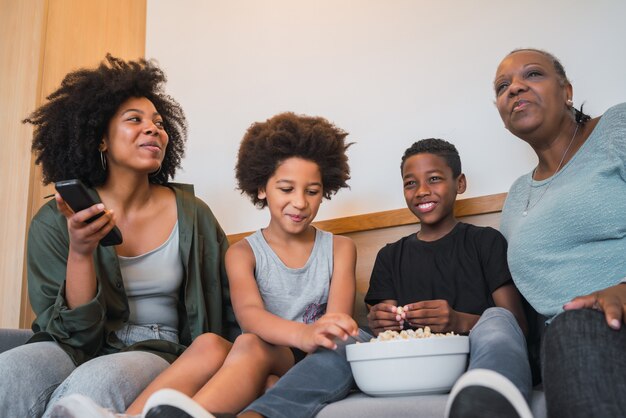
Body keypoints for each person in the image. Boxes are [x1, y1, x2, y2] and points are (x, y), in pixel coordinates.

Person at [55, 112, 360, 418]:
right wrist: (301, 333)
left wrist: (310, 338)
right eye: (286, 189)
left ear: (325, 191)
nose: (300, 202)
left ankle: (196, 413)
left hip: (311, 359)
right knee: (210, 344)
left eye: (312, 191)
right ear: (261, 188)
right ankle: (128, 417)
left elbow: (336, 326)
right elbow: (250, 316)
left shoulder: (340, 248)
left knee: (251, 346)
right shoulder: (243, 253)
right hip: (262, 348)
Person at [0, 54, 237, 418]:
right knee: (9, 374)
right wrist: (81, 251)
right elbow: (71, 337)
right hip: (73, 345)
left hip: (160, 349)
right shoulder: (54, 220)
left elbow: (231, 307)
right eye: (135, 120)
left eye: (159, 123)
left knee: (95, 385)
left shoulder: (194, 215)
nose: (153, 129)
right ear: (100, 139)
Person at [493, 48, 626, 418]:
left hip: (611, 317)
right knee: (567, 332)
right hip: (562, 338)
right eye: (503, 86)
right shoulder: (517, 194)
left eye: (532, 75)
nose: (515, 88)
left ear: (566, 90)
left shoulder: (617, 128)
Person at [365, 138, 533, 418]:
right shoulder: (390, 256)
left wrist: (460, 321)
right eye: (410, 183)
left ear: (460, 183)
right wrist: (378, 322)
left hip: (478, 360)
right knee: (343, 334)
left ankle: (489, 394)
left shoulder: (485, 242)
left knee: (498, 318)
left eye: (434, 179)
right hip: (415, 367)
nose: (421, 191)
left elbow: (516, 326)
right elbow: (389, 333)